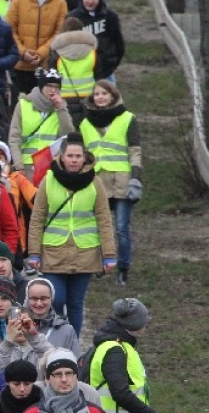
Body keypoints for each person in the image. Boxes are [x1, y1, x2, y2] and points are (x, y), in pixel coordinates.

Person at [26, 133, 116, 335]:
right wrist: (34, 253)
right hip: (53, 252)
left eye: (78, 156)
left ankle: (72, 342)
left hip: (85, 253)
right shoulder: (49, 180)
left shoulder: (95, 183)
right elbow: (37, 218)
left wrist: (109, 254)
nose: (74, 160)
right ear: (62, 157)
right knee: (56, 299)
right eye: (70, 156)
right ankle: (56, 338)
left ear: (84, 158)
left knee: (75, 303)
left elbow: (104, 219)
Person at [79, 81, 140, 285]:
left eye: (104, 93)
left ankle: (123, 268)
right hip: (97, 182)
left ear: (113, 96)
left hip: (122, 181)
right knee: (98, 227)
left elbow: (135, 151)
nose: (100, 97)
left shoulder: (128, 118)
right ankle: (100, 264)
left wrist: (136, 178)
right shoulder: (85, 123)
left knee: (121, 228)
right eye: (97, 94)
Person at [8, 69, 74, 180]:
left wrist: (61, 108)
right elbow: (14, 138)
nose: (53, 90)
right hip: (28, 165)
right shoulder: (23, 104)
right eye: (49, 85)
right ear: (41, 86)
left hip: (51, 165)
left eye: (57, 87)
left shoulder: (60, 108)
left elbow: (68, 135)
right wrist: (19, 166)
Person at [5, 0, 67, 95]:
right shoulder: (17, 2)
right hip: (19, 68)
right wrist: (22, 52)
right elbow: (9, 30)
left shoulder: (60, 3)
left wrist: (42, 53)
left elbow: (60, 32)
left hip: (46, 68)